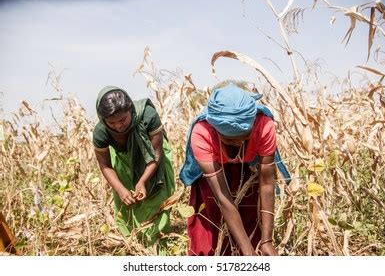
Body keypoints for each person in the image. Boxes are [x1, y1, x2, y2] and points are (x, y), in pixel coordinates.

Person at [180, 81, 290, 256]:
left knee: (250, 217)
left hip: (248, 170)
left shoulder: (263, 125)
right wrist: (248, 253)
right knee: (212, 220)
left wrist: (267, 241)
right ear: (216, 130)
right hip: (213, 176)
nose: (239, 143)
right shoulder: (202, 132)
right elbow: (222, 198)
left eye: (244, 136)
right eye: (230, 139)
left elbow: (267, 182)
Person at [93, 86, 175, 247]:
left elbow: (156, 154)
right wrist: (121, 190)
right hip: (124, 161)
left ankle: (158, 243)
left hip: (153, 158)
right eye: (112, 122)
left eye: (122, 120)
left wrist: (142, 181)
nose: (118, 126)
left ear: (130, 110)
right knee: (128, 203)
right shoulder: (101, 132)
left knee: (157, 198)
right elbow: (105, 166)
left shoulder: (147, 115)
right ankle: (135, 245)